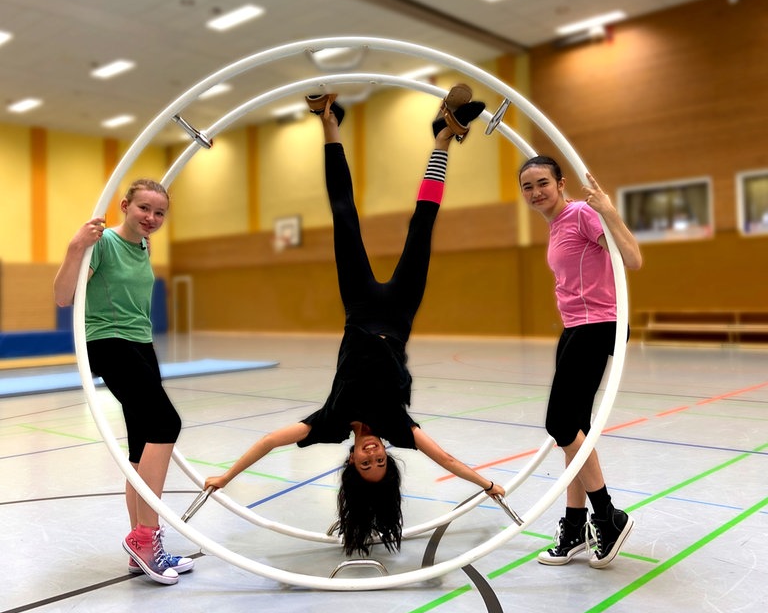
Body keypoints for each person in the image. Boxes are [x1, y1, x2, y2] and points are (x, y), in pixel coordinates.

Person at [204, 86, 505, 557]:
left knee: (343, 216)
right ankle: (443, 136)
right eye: (382, 460)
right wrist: (485, 482)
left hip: (360, 308)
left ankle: (327, 120)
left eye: (368, 463)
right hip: (400, 312)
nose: (374, 453)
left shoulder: (329, 423)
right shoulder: (398, 426)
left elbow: (268, 441)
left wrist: (226, 476)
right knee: (423, 224)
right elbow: (444, 457)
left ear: (350, 462)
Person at [54, 179, 193, 585]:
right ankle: (146, 538)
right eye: (144, 208)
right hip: (109, 343)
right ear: (125, 205)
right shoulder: (103, 244)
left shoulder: (144, 246)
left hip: (141, 346)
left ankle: (140, 550)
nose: (151, 218)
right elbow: (64, 296)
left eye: (160, 212)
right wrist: (75, 246)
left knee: (141, 445)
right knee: (167, 424)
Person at [518, 155, 642, 569]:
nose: (536, 192)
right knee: (575, 428)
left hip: (597, 325)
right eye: (528, 186)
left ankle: (607, 518)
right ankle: (575, 527)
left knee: (560, 424)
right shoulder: (557, 225)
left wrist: (608, 212)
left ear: (560, 182)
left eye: (542, 183)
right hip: (575, 327)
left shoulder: (581, 214)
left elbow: (632, 258)